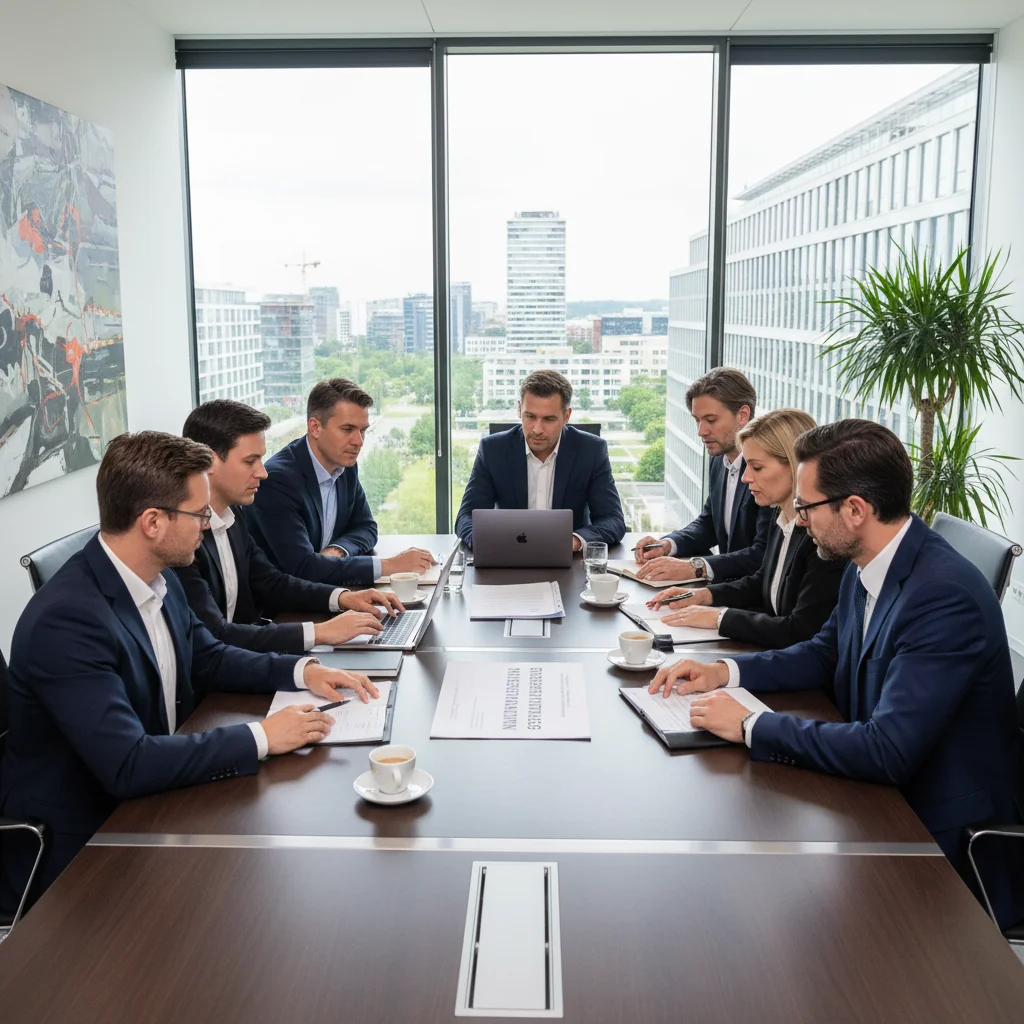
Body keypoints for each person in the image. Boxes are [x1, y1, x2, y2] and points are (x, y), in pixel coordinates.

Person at [649, 419, 1022, 928]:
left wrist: (750, 725)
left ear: (854, 509)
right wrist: (724, 671)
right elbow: (823, 654)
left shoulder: (942, 597)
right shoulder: (867, 562)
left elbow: (886, 750)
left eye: (806, 507)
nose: (799, 521)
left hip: (936, 840)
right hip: (876, 803)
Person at [0, 431, 378, 911]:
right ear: (153, 522)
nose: (208, 524)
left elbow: (209, 657)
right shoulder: (68, 621)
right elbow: (128, 764)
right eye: (199, 514)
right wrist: (262, 736)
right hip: (82, 850)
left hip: (149, 809)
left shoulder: (157, 579)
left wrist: (304, 671)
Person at [178, 399, 404, 654]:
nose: (263, 473)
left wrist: (343, 598)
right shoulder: (182, 541)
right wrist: (320, 633)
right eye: (250, 461)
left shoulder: (232, 517)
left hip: (250, 657)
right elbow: (216, 634)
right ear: (209, 461)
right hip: (222, 678)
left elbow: (273, 583)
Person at [645, 409, 847, 649]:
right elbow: (763, 582)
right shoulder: (779, 514)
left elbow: (800, 630)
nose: (745, 477)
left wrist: (719, 618)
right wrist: (704, 595)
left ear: (794, 466)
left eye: (757, 468)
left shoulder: (822, 537)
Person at [245, 378, 435, 587]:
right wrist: (390, 565)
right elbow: (302, 568)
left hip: (328, 590)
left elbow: (366, 527)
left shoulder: (345, 465)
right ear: (315, 427)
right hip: (283, 609)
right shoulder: (278, 480)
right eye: (347, 429)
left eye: (362, 430)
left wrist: (337, 551)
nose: (359, 441)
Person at [455, 370, 625, 550]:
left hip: (568, 561)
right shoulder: (492, 450)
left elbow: (613, 520)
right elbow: (466, 517)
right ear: (519, 409)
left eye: (548, 419)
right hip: (508, 556)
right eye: (530, 416)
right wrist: (487, 542)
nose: (537, 429)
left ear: (566, 416)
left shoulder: (591, 451)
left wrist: (574, 541)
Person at [633, 367, 773, 583]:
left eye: (711, 420)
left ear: (742, 415)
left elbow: (762, 553)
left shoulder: (767, 469)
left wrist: (695, 567)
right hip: (726, 589)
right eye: (697, 420)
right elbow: (709, 524)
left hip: (753, 599)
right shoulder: (719, 458)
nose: (701, 431)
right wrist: (668, 544)